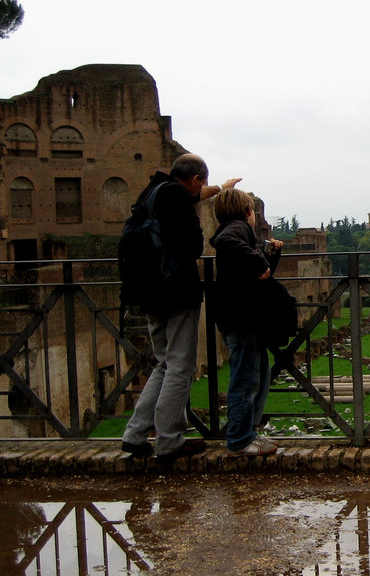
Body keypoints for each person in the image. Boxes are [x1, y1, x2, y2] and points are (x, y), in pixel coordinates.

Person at [121, 154, 241, 462]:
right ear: (195, 179)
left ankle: (135, 435)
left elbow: (192, 195)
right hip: (174, 292)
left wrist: (219, 188)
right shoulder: (176, 199)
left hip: (147, 291)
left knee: (163, 363)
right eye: (201, 183)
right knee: (180, 365)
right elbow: (192, 246)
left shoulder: (155, 190)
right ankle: (170, 440)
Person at [209, 188, 283, 457]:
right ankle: (239, 440)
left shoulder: (240, 231)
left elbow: (261, 275)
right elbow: (223, 240)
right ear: (248, 212)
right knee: (245, 378)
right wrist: (255, 257)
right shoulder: (236, 228)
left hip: (245, 316)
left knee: (259, 373)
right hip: (239, 317)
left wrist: (270, 255)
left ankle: (248, 432)